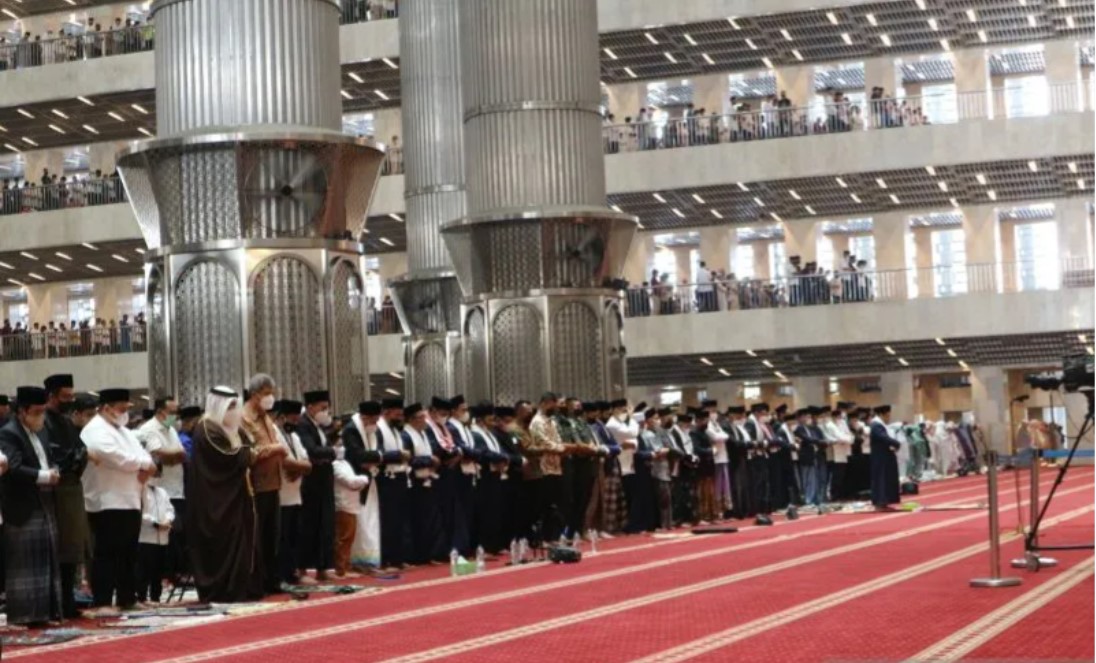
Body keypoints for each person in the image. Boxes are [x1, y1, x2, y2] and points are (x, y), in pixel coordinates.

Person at [187, 387, 263, 602]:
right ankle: (221, 589)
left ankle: (244, 586)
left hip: (238, 496)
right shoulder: (206, 428)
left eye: (235, 406)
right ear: (217, 405)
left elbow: (248, 448)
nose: (234, 411)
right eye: (229, 406)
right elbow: (229, 458)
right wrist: (249, 454)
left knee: (244, 539)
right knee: (223, 541)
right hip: (216, 500)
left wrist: (250, 452)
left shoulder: (235, 429)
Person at [81, 388, 154, 611]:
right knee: (107, 553)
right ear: (107, 408)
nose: (125, 413)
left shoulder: (124, 432)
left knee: (128, 552)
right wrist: (143, 464)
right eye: (122, 409)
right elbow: (114, 457)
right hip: (107, 499)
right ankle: (103, 600)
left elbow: (144, 454)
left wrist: (145, 463)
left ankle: (127, 597)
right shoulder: (94, 430)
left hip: (131, 497)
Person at [0, 386, 61, 625]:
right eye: (37, 412)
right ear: (22, 411)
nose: (41, 416)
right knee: (25, 564)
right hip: (22, 504)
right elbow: (12, 468)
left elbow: (48, 458)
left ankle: (46, 612)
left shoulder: (41, 431)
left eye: (43, 411)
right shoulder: (9, 433)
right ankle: (26, 614)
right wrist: (44, 476)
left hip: (44, 501)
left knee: (46, 560)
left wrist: (54, 471)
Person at [42, 374, 89, 619]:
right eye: (65, 396)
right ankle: (58, 602)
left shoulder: (66, 422)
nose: (70, 401)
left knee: (72, 548)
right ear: (51, 396)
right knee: (58, 549)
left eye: (72, 396)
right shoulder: (44, 422)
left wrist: (79, 458)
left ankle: (68, 600)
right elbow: (51, 456)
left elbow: (80, 449)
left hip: (72, 488)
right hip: (55, 491)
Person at [240, 374, 287, 593]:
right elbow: (248, 453)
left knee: (272, 536)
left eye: (271, 393)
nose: (270, 398)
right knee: (257, 537)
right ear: (254, 394)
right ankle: (257, 582)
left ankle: (272, 580)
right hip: (255, 485)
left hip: (273, 483)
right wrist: (274, 449)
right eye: (266, 393)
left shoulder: (265, 417)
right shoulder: (244, 419)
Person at [135, 396, 187, 585]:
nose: (175, 416)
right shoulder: (149, 429)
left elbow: (181, 455)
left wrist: (174, 456)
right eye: (172, 412)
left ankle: (173, 573)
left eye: (176, 412)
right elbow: (159, 456)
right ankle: (163, 576)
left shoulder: (171, 429)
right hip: (158, 488)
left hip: (176, 488)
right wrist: (173, 456)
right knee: (161, 536)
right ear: (160, 411)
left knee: (176, 533)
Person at [297, 390, 336, 580]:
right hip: (311, 483)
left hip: (324, 480)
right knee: (309, 525)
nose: (325, 412)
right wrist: (332, 452)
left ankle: (323, 567)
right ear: (310, 407)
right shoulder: (303, 425)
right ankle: (302, 568)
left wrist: (328, 453)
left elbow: (324, 451)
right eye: (323, 408)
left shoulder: (318, 426)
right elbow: (312, 450)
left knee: (325, 525)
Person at [341, 401, 381, 572]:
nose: (375, 424)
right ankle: (356, 561)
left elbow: (372, 454)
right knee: (359, 523)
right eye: (374, 420)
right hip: (355, 481)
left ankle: (368, 561)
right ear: (365, 417)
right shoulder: (351, 430)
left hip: (369, 479)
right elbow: (358, 455)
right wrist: (377, 457)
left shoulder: (371, 431)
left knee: (369, 521)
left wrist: (374, 458)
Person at [274, 400, 311, 585]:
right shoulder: (274, 433)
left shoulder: (294, 436)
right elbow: (284, 461)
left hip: (296, 494)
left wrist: (299, 469)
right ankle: (281, 574)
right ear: (282, 417)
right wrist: (300, 467)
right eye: (293, 419)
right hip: (281, 494)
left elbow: (307, 462)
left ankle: (292, 572)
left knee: (294, 537)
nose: (296, 423)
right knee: (282, 538)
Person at [402, 403, 444, 564]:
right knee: (417, 520)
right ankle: (417, 555)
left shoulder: (423, 434)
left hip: (427, 480)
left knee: (429, 520)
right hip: (414, 483)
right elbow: (409, 459)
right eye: (421, 417)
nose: (424, 420)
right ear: (412, 419)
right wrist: (429, 460)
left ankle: (428, 554)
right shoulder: (406, 435)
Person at [524, 393, 566, 543]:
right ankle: (542, 538)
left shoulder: (551, 421)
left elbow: (558, 439)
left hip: (556, 466)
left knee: (554, 504)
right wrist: (560, 448)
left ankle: (553, 536)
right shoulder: (537, 422)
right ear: (544, 403)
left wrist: (560, 447)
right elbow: (543, 442)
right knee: (544, 504)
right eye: (552, 405)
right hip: (543, 467)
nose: (555, 408)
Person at [376, 398, 412, 571]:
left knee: (400, 520)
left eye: (401, 415)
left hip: (399, 477)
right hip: (386, 479)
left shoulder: (396, 430)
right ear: (386, 412)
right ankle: (387, 559)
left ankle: (398, 558)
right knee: (388, 521)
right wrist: (399, 455)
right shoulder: (379, 429)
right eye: (397, 415)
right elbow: (379, 454)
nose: (400, 418)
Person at [470, 403, 508, 555]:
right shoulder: (476, 433)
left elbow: (500, 450)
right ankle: (484, 546)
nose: (493, 420)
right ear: (480, 419)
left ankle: (494, 545)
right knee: (485, 512)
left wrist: (504, 457)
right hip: (484, 476)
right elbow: (484, 453)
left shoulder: (490, 433)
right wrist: (500, 458)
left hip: (495, 475)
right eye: (489, 417)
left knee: (495, 511)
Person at [332, 435, 369, 578]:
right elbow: (350, 481)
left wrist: (360, 482)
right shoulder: (334, 465)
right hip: (342, 504)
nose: (341, 448)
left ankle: (346, 565)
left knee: (349, 538)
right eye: (338, 445)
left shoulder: (345, 463)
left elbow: (355, 483)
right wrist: (364, 479)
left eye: (342, 445)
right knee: (343, 538)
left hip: (352, 503)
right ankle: (340, 568)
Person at [136, 479, 174, 604]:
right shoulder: (141, 490)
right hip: (146, 537)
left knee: (158, 570)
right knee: (144, 570)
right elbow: (141, 512)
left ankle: (155, 597)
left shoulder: (162, 492)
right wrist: (156, 523)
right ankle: (141, 597)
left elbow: (170, 509)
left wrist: (168, 520)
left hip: (162, 538)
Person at [744, 403, 774, 525]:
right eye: (763, 413)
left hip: (762, 455)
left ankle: (763, 507)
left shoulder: (759, 423)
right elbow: (750, 441)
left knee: (763, 482)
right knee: (757, 483)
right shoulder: (750, 423)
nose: (765, 416)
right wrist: (761, 444)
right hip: (754, 457)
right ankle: (756, 508)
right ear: (757, 413)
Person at [870, 405, 902, 511]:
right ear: (881, 414)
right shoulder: (876, 425)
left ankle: (885, 502)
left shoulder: (881, 425)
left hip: (885, 456)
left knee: (886, 479)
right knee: (881, 480)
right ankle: (880, 503)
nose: (888, 418)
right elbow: (883, 437)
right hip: (880, 457)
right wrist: (896, 443)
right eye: (887, 416)